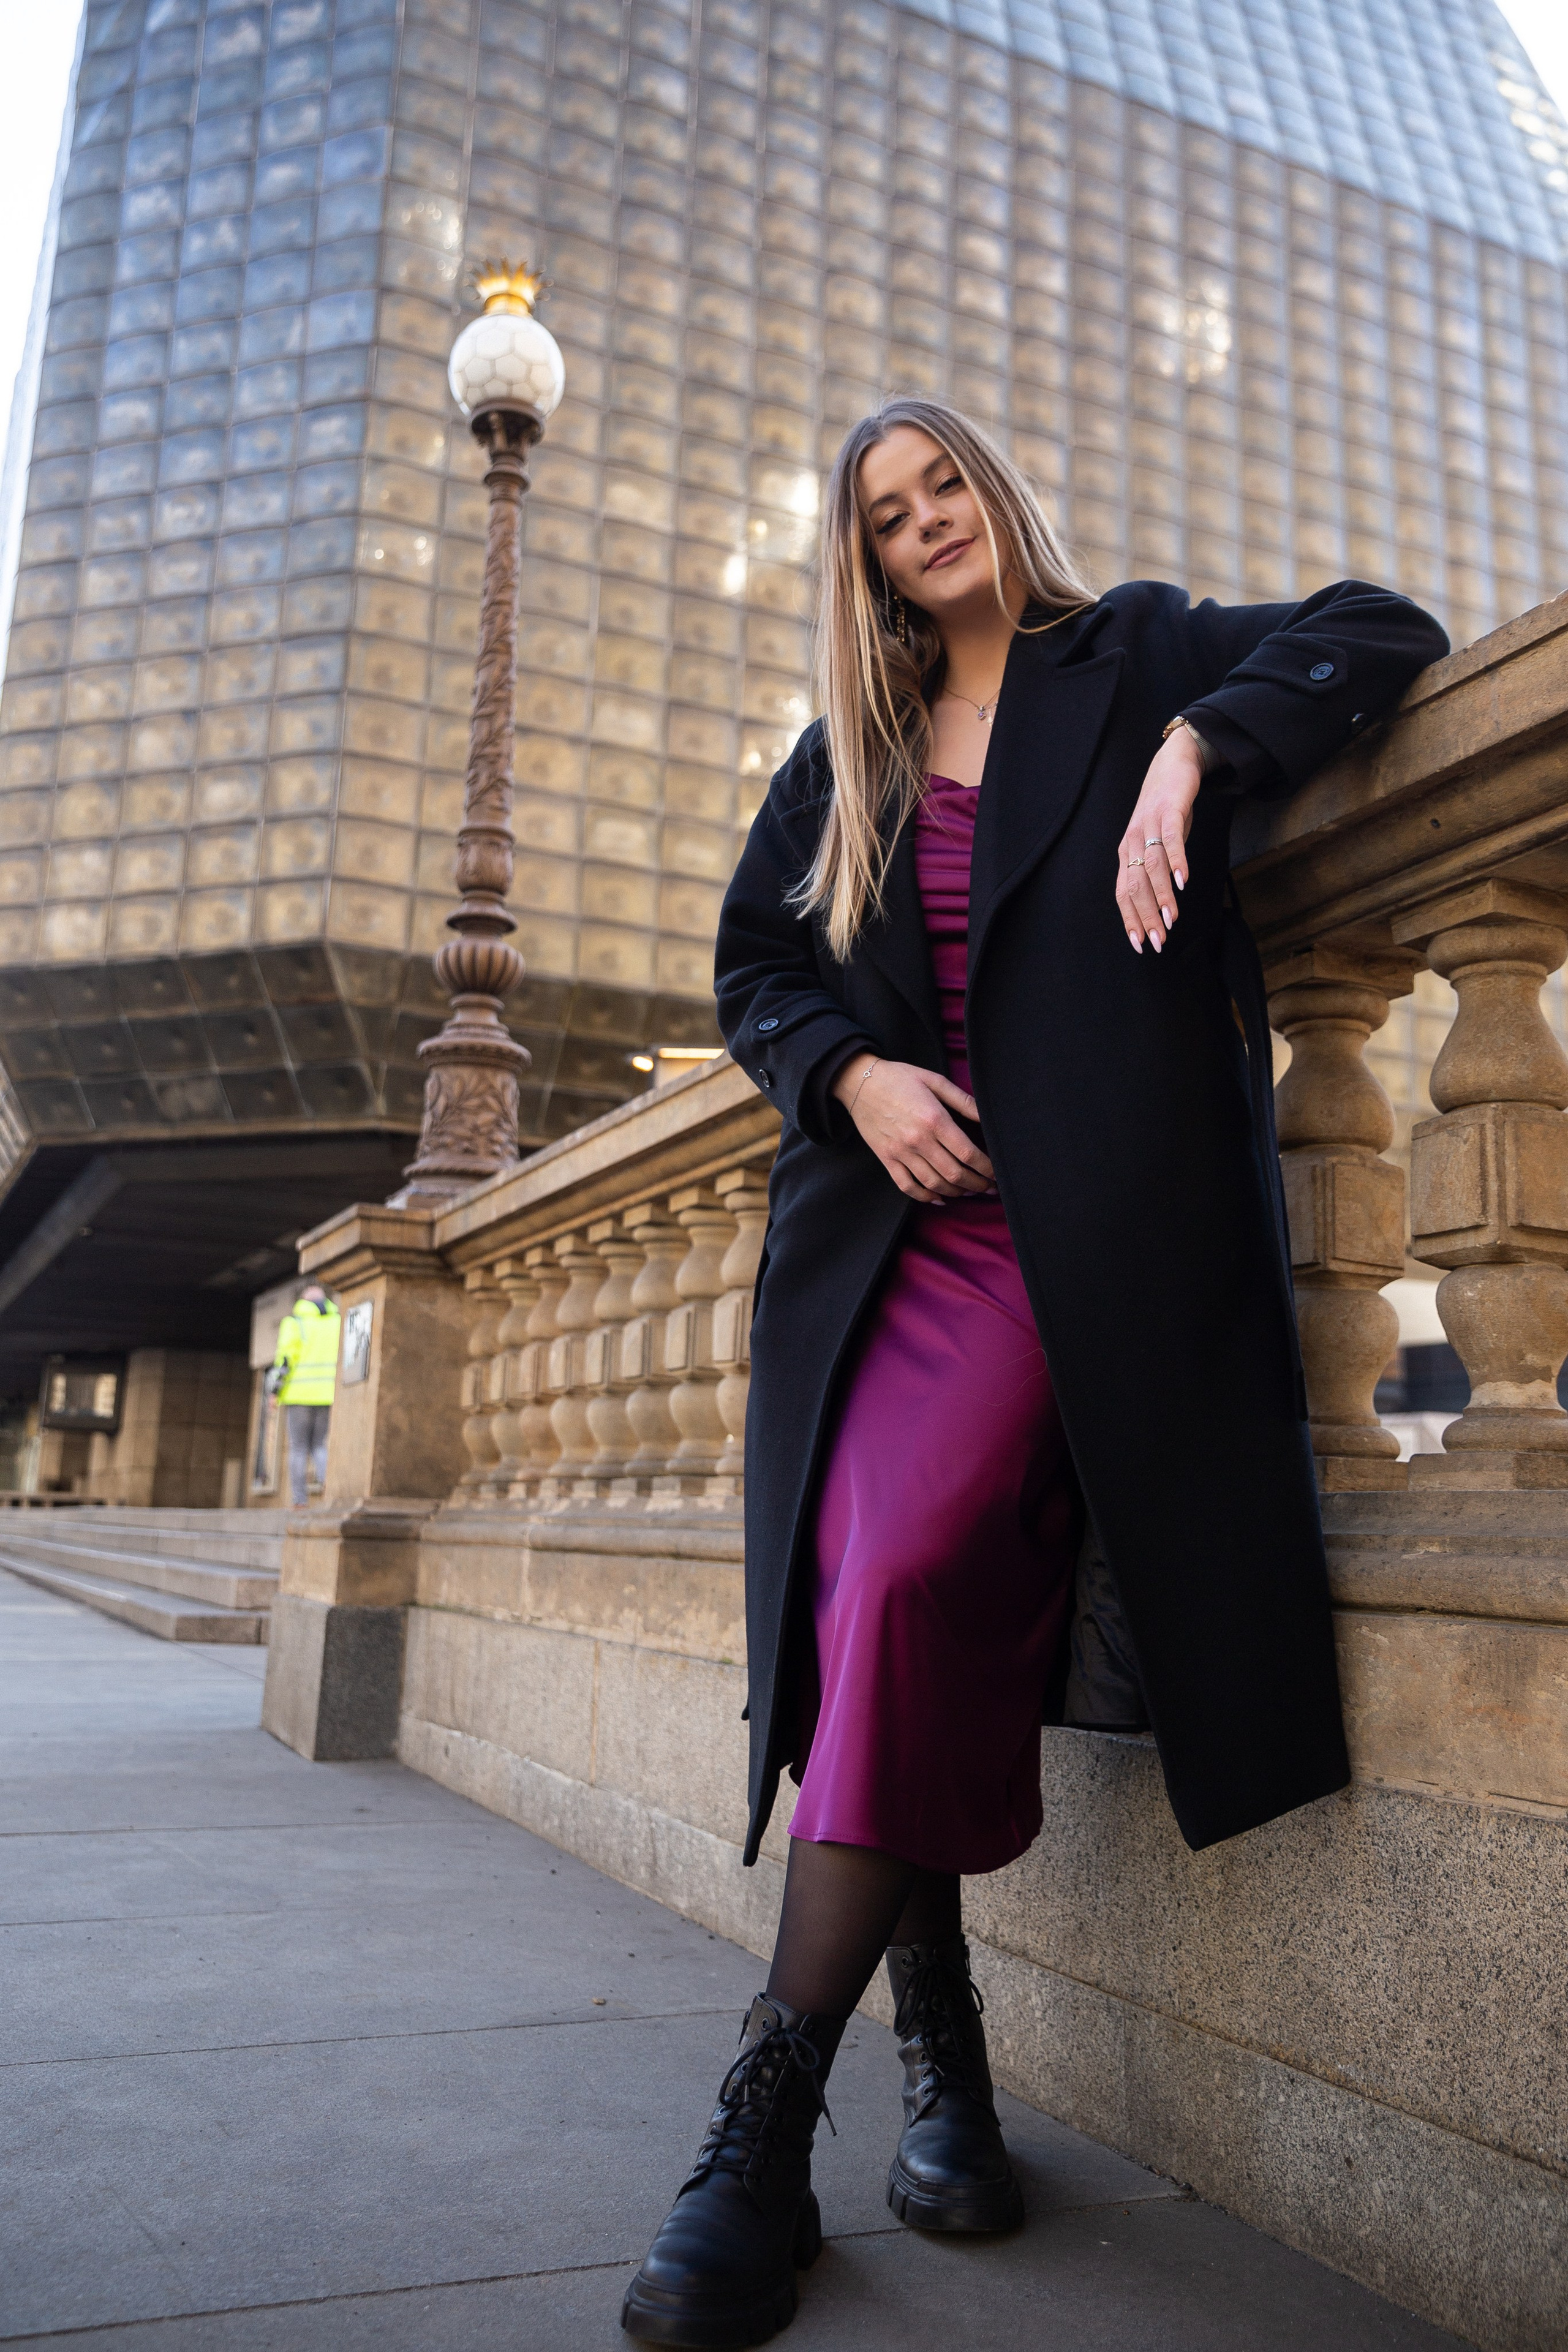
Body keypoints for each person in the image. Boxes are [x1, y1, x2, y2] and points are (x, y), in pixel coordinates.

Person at [619, 396, 1449, 2348]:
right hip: (890, 1247)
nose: (928, 528)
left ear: (993, 489)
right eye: (890, 519)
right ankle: (935, 2056)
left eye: (944, 490)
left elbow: (1383, 623)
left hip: (1077, 1254)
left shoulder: (1140, 643)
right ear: (870, 561)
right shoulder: (855, 752)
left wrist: (1193, 746)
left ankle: (768, 2111)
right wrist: (855, 1072)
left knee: (904, 1581)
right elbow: (756, 968)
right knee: (873, 1596)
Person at [271, 1284, 340, 1508]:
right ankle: (329, 1490)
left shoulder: (295, 1323)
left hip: (299, 1395)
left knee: (299, 1447)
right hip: (327, 1395)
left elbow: (285, 1360)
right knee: (320, 1445)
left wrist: (275, 1391)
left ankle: (300, 1500)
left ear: (304, 1301)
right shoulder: (337, 1322)